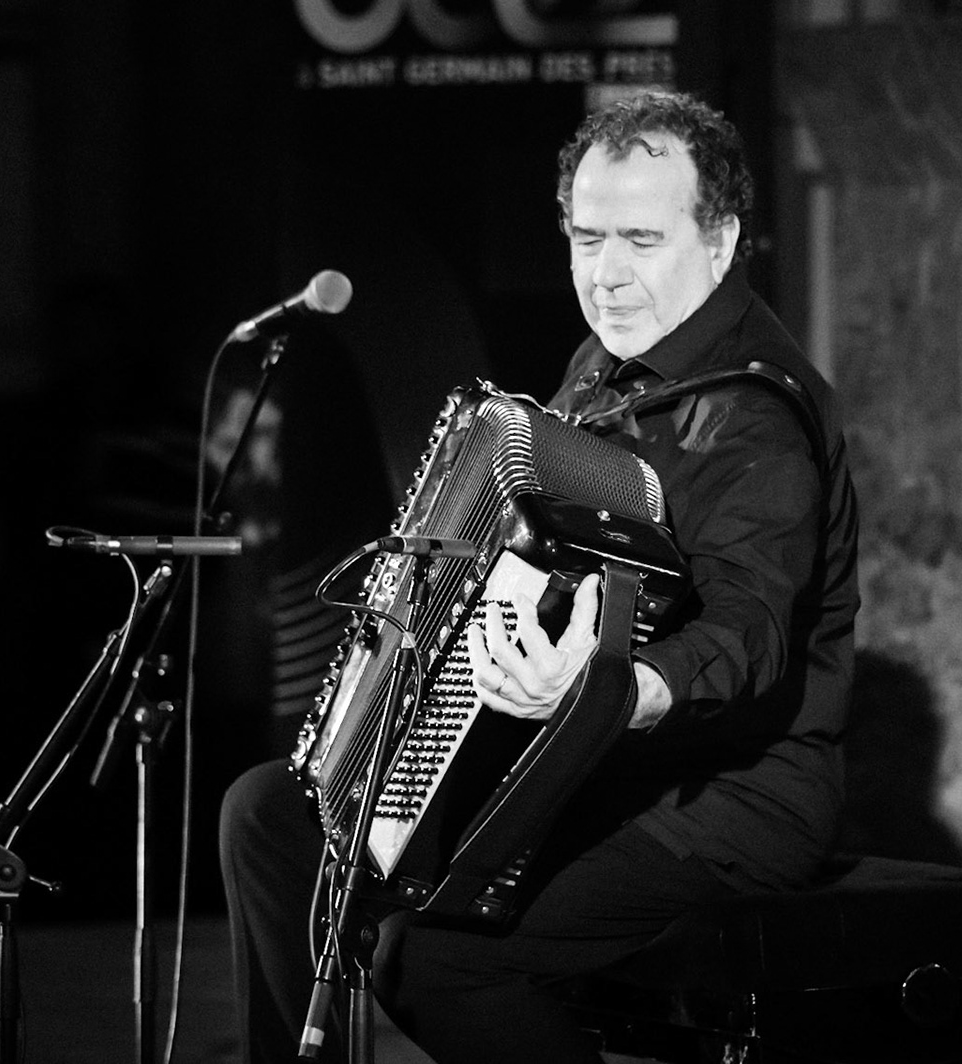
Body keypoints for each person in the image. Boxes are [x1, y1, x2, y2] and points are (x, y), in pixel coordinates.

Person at [218, 91, 860, 1063]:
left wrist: (604, 691)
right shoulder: (605, 364)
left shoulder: (755, 419)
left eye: (642, 238)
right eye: (586, 235)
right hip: (580, 761)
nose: (607, 274)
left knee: (433, 956)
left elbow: (751, 633)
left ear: (721, 241)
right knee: (270, 813)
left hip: (724, 797)